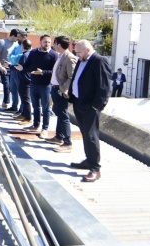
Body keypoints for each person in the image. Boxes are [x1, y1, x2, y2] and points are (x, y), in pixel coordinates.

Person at [68, 40, 112, 182]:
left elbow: (104, 87)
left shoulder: (99, 61)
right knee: (85, 135)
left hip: (90, 107)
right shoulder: (83, 60)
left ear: (87, 50)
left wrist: (96, 107)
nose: (77, 55)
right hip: (79, 103)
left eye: (79, 52)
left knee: (91, 136)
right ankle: (89, 160)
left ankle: (95, 169)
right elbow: (77, 78)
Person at [44, 36, 77, 152]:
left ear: (58, 45)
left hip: (61, 91)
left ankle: (67, 142)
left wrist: (63, 89)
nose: (52, 45)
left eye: (54, 43)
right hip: (54, 89)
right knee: (58, 112)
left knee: (63, 115)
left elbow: (71, 77)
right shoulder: (60, 56)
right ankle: (59, 137)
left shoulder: (69, 58)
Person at [23, 34, 58, 136]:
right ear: (40, 42)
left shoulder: (54, 55)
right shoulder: (33, 52)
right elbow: (28, 66)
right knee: (35, 106)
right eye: (45, 42)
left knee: (46, 108)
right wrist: (29, 70)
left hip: (46, 85)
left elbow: (54, 72)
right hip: (33, 83)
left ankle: (45, 128)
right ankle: (35, 124)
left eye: (48, 42)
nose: (47, 44)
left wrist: (43, 72)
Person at [0, 29, 19, 108]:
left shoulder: (16, 44)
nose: (18, 39)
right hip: (4, 67)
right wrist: (0, 66)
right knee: (6, 85)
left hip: (13, 67)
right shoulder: (3, 42)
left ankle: (14, 104)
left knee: (13, 86)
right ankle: (6, 102)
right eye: (17, 37)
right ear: (13, 35)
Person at [5, 30, 28, 114]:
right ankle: (14, 106)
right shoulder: (17, 46)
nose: (17, 39)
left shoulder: (27, 46)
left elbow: (19, 57)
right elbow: (10, 56)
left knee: (21, 91)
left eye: (19, 37)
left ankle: (22, 110)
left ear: (24, 37)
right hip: (13, 70)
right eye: (17, 37)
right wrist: (13, 58)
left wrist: (13, 58)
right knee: (13, 89)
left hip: (20, 71)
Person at [14, 39, 33, 125]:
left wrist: (10, 66)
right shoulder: (29, 54)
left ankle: (28, 118)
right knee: (23, 98)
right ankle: (23, 114)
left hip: (25, 80)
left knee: (25, 99)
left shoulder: (25, 56)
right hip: (25, 79)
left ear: (23, 46)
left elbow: (21, 67)